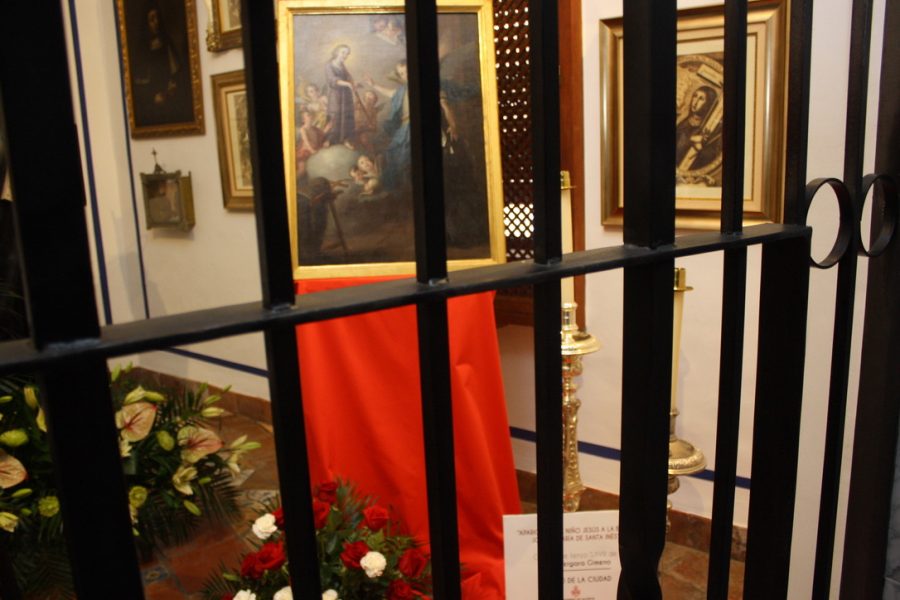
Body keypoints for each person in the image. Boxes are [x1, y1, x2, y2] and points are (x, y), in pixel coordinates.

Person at [130, 5, 192, 126]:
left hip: (169, 98)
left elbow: (176, 73)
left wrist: (172, 87)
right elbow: (138, 85)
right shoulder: (142, 50)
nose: (156, 23)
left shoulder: (167, 43)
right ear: (146, 23)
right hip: (151, 105)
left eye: (157, 18)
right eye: (152, 19)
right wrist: (152, 97)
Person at [675, 85, 722, 174]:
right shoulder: (684, 122)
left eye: (701, 99)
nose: (695, 102)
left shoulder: (710, 129)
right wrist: (690, 139)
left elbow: (712, 157)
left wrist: (700, 148)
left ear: (708, 103)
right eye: (695, 96)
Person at [324, 45, 356, 148]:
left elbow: (349, 77)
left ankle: (346, 139)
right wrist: (347, 84)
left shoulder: (342, 65)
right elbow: (332, 80)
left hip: (346, 95)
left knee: (346, 116)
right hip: (335, 96)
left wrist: (353, 83)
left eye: (347, 53)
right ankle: (330, 139)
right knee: (335, 116)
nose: (345, 55)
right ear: (337, 52)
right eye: (343, 52)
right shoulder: (329, 65)